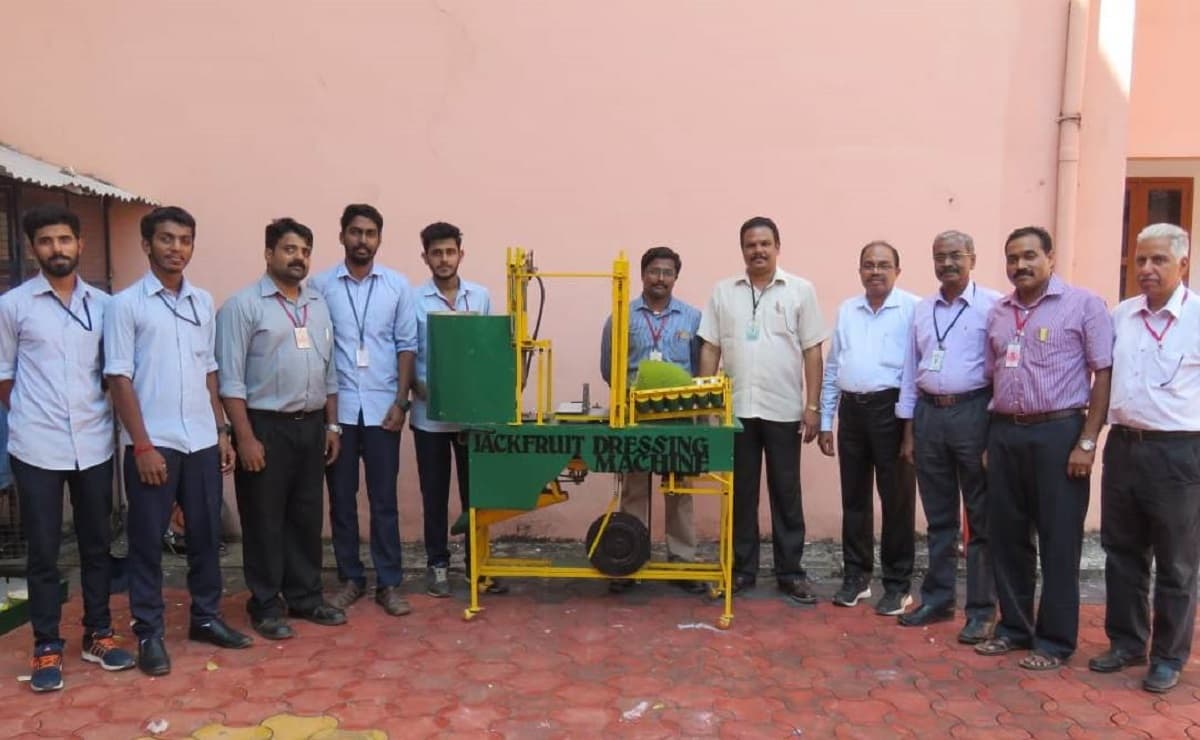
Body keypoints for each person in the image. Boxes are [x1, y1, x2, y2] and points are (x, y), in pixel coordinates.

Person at [105, 206, 252, 676]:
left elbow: (210, 370)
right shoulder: (126, 305)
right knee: (147, 541)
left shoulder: (201, 302)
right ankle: (148, 631)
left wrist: (222, 430)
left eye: (185, 240)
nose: (176, 249)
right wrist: (142, 445)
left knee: (207, 536)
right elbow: (119, 378)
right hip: (155, 444)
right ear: (147, 245)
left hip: (202, 441)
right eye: (167, 239)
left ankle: (206, 618)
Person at [0, 204, 134, 692]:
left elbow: (115, 373)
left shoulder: (104, 307)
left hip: (94, 444)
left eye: (64, 240)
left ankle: (97, 634)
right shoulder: (13, 306)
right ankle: (46, 646)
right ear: (34, 248)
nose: (57, 249)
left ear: (81, 244)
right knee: (43, 551)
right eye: (46, 241)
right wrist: (37, 417)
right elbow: (4, 376)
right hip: (36, 446)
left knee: (98, 544)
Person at [973, 226, 1112, 671]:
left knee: (1059, 539)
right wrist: (991, 441)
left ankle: (1054, 641)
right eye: (1012, 258)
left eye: (1030, 256)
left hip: (1060, 434)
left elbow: (1102, 375)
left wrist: (1087, 442)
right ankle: (1014, 628)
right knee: (1008, 537)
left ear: (1051, 258)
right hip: (1005, 433)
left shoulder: (1084, 305)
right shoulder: (998, 313)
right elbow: (993, 375)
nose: (1020, 266)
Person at [216, 218, 345, 640]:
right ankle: (266, 604)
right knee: (265, 519)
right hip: (264, 428)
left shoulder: (318, 303)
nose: (298, 258)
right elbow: (229, 379)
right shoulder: (243, 306)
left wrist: (332, 424)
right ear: (269, 253)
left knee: (306, 516)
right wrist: (245, 436)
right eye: (289, 249)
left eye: (305, 251)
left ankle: (306, 596)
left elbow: (329, 371)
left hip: (310, 427)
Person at [1089, 223, 1200, 693]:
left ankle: (1168, 656)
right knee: (1122, 552)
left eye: (1158, 261)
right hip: (1124, 448)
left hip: (1179, 452)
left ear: (1182, 265)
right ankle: (1126, 641)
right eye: (1140, 260)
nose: (1147, 270)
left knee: (1176, 563)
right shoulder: (1122, 315)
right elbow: (1105, 380)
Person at [697, 216, 827, 602]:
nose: (758, 251)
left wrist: (813, 406)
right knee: (740, 494)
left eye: (765, 244)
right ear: (742, 250)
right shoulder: (724, 292)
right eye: (751, 245)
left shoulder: (800, 290)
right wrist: (707, 405)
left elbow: (812, 351)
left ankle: (790, 572)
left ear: (777, 247)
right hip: (735, 413)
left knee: (786, 493)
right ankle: (741, 570)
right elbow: (709, 348)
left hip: (784, 409)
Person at [309, 204, 416, 617]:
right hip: (338, 413)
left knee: (384, 500)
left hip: (382, 410)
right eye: (355, 232)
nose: (362, 240)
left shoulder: (396, 286)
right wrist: (326, 417)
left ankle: (389, 583)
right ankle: (351, 578)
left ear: (379, 240)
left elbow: (406, 347)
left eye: (370, 233)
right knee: (340, 499)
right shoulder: (321, 287)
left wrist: (401, 403)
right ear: (342, 236)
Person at [896, 230, 1000, 643]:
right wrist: (909, 431)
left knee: (979, 519)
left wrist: (994, 432)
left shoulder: (993, 306)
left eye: (955, 255)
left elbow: (1001, 372)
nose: (947, 264)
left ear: (973, 257)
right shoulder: (922, 310)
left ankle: (981, 609)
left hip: (974, 412)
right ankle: (938, 600)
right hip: (929, 416)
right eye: (939, 257)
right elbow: (910, 371)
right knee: (938, 518)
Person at [818, 241, 918, 616]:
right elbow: (833, 368)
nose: (875, 271)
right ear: (859, 270)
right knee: (854, 499)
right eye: (868, 265)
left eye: (883, 265)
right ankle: (856, 578)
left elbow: (916, 371)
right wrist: (827, 420)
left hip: (892, 410)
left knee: (897, 500)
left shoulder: (912, 309)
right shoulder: (848, 310)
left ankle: (897, 585)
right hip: (853, 412)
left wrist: (910, 428)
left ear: (897, 270)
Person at [410, 222, 507, 596]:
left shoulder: (479, 297)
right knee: (434, 495)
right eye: (436, 253)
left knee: (475, 496)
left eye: (450, 252)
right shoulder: (414, 301)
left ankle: (476, 566)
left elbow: (487, 352)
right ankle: (436, 565)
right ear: (426, 257)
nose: (444, 259)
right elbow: (407, 351)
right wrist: (418, 388)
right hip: (428, 417)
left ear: (460, 255)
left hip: (470, 417)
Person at [600, 246, 704, 594]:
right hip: (634, 416)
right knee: (633, 488)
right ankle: (631, 560)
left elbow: (699, 365)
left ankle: (683, 562)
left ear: (676, 277)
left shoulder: (692, 318)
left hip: (679, 417)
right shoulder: (621, 316)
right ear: (642, 275)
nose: (660, 279)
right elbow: (609, 367)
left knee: (679, 489)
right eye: (654, 271)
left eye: (667, 273)